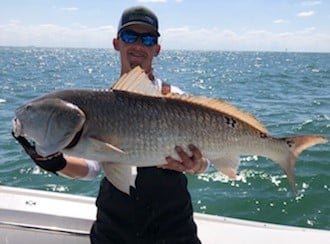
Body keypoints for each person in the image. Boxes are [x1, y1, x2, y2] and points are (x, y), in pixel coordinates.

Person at [13, 6, 210, 244]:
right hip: (115, 231)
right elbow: (91, 167)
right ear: (117, 43)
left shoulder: (176, 99)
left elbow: (206, 160)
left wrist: (197, 165)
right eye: (130, 37)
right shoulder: (101, 106)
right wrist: (56, 162)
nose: (138, 45)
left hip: (173, 231)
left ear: (156, 49)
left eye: (147, 39)